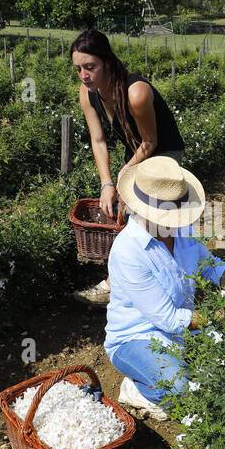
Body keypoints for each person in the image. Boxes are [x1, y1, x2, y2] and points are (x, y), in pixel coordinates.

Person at [104, 155, 225, 421]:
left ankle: (170, 367)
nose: (175, 221)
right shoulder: (128, 251)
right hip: (135, 337)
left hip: (180, 331)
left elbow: (210, 265)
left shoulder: (179, 230)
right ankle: (137, 390)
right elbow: (169, 318)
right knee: (179, 389)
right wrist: (220, 318)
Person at [71, 29, 186, 307]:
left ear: (107, 61)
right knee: (139, 220)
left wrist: (125, 174)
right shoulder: (88, 94)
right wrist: (108, 184)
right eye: (78, 69)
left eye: (90, 67)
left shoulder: (136, 92)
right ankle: (138, 280)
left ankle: (156, 285)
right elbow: (98, 141)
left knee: (151, 220)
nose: (84, 75)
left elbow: (150, 141)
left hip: (163, 153)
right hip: (135, 152)